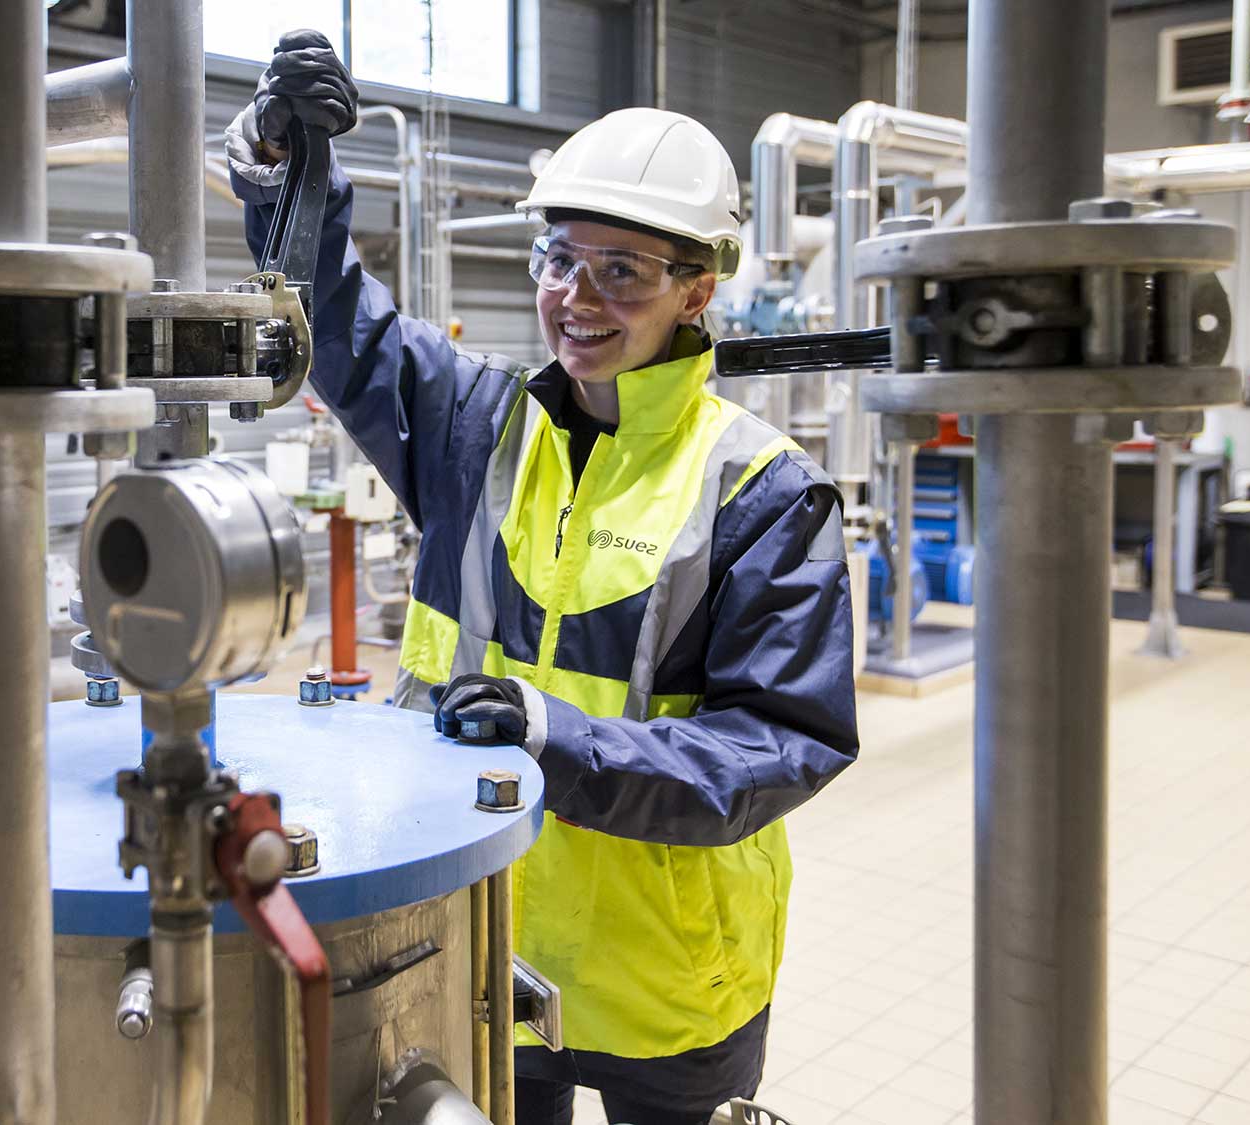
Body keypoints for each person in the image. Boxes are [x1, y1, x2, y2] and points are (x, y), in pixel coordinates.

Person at [227, 31, 860, 1125]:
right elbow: (336, 326)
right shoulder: (478, 430)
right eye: (559, 258)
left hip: (664, 979)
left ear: (696, 290)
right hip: (480, 934)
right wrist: (291, 177)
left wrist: (549, 733)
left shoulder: (760, 493)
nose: (577, 296)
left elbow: (777, 744)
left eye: (622, 271)